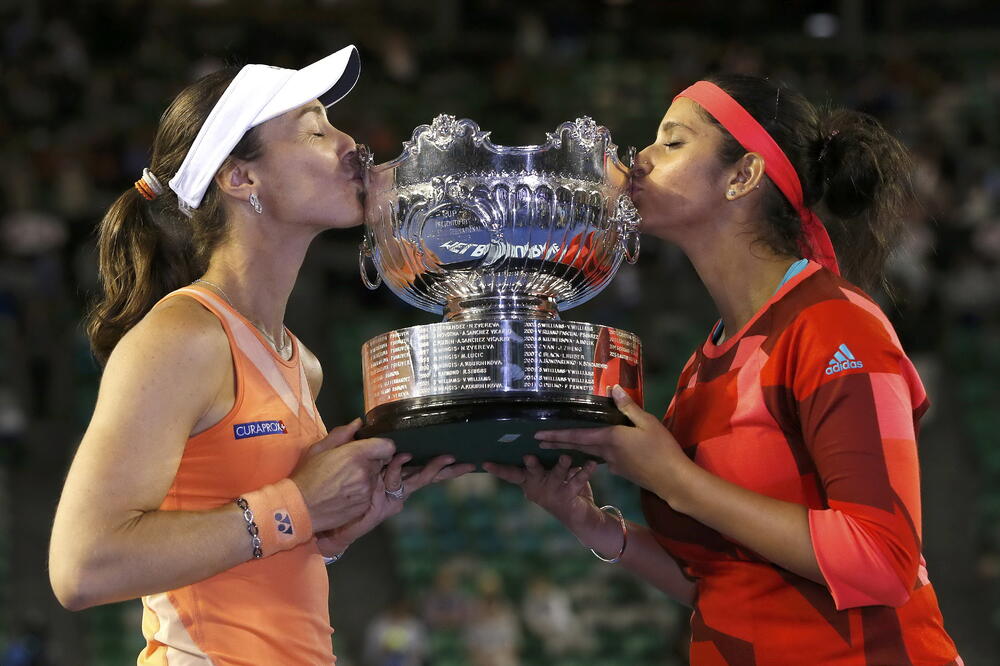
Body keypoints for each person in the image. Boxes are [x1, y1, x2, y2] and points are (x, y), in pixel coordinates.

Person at [485, 74, 963, 665]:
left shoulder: (836, 325)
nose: (641, 159)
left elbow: (882, 561)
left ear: (743, 175)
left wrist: (675, 480)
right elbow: (723, 584)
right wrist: (591, 522)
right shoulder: (705, 362)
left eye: (673, 141)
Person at [48, 46, 473, 664]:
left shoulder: (302, 360)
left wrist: (326, 529)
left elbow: (251, 549)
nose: (350, 144)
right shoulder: (183, 338)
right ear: (240, 178)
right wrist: (296, 505)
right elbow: (83, 568)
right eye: (315, 131)